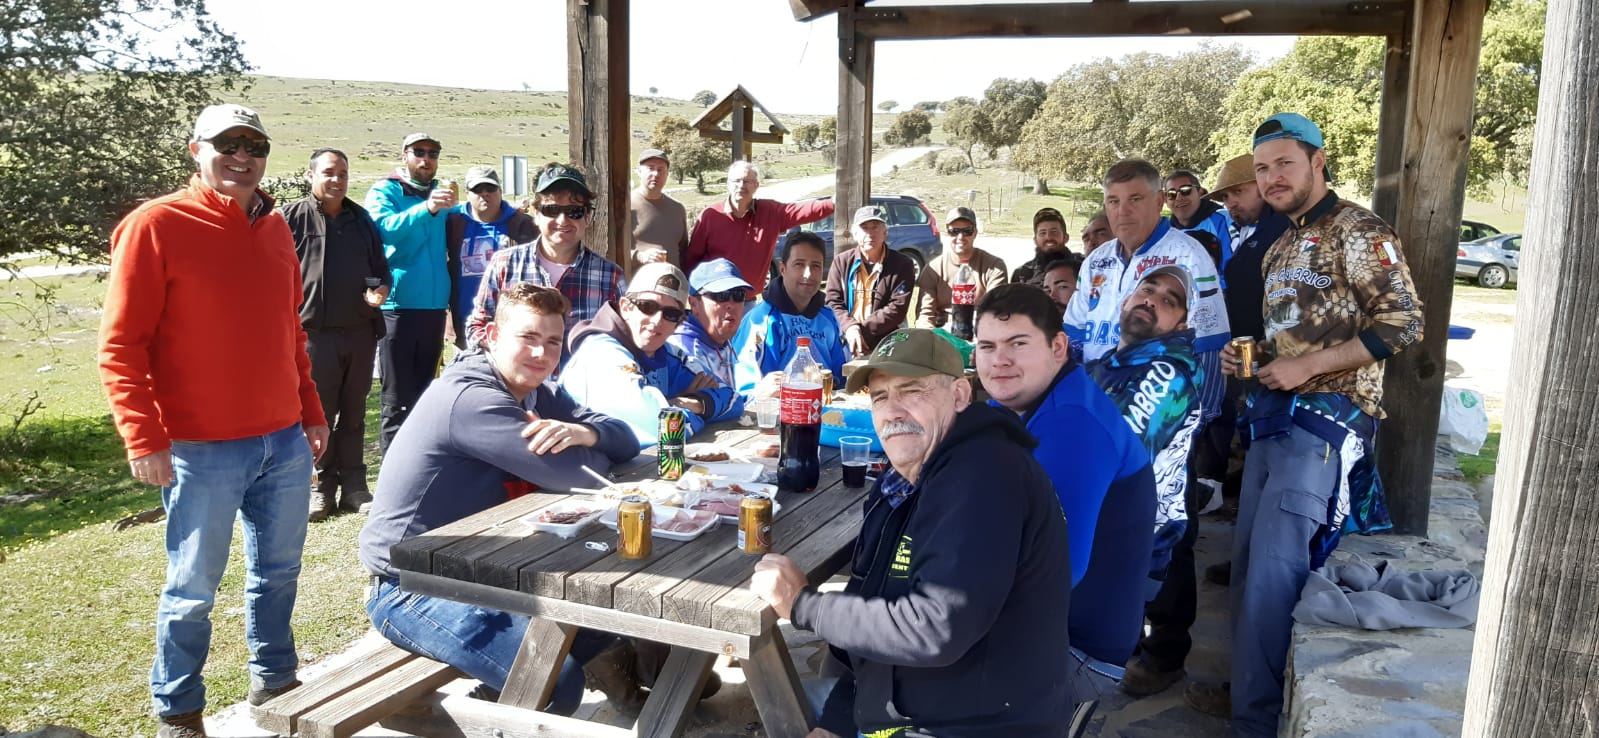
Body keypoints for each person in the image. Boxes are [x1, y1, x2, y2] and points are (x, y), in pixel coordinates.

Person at [1186, 113, 1424, 736]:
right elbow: (1293, 337)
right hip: (1273, 421)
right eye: (1263, 168)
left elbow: (1404, 324)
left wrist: (1309, 366)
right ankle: (1250, 693)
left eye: (1284, 164)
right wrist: (1257, 357)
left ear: (1318, 162)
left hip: (1324, 426)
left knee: (1274, 573)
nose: (1272, 178)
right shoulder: (1280, 245)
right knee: (1247, 571)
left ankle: (1256, 723)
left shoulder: (1360, 230)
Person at [99, 104, 329, 738]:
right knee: (192, 589)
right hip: (200, 449)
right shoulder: (155, 225)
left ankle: (276, 680)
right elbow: (121, 346)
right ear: (196, 150)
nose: (242, 156)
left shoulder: (275, 228)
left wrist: (309, 411)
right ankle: (179, 709)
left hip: (282, 441)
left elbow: (289, 333)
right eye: (228, 143)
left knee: (278, 573)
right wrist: (143, 437)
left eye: (255, 145)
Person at [751, 328, 1075, 737]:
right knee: (784, 706)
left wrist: (803, 606)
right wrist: (838, 718)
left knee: (778, 706)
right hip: (908, 707)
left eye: (912, 391)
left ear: (959, 395)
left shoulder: (983, 474)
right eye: (880, 397)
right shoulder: (901, 483)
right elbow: (871, 605)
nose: (892, 411)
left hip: (974, 726)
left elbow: (934, 628)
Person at [359, 283, 639, 717]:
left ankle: (498, 703)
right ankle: (487, 716)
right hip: (410, 586)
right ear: (491, 336)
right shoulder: (472, 398)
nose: (541, 354)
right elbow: (576, 475)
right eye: (528, 337)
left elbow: (626, 439)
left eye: (553, 342)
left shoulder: (534, 389)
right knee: (552, 683)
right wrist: (588, 450)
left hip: (478, 569)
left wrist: (585, 433)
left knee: (605, 621)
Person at [1065, 158, 1229, 704]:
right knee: (1109, 532)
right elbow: (1074, 334)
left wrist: (1193, 427)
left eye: (1135, 199)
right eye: (1113, 201)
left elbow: (1208, 346)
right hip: (1097, 410)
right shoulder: (1097, 261)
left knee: (1167, 532)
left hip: (1161, 416)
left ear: (1159, 201)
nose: (1123, 212)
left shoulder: (1188, 256)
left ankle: (1165, 654)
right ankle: (1118, 640)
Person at [973, 285, 1155, 708]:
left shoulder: (1072, 421)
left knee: (890, 659)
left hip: (1077, 655)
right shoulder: (1022, 403)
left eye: (1018, 344)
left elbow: (1056, 571)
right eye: (987, 346)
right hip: (1050, 630)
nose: (1000, 360)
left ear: (1058, 347)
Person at [1083, 267, 1205, 697]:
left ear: (1182, 326)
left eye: (1169, 301)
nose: (1152, 299)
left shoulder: (1166, 372)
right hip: (1111, 524)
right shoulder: (1108, 364)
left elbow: (1114, 455)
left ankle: (1150, 660)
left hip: (1135, 533)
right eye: (1147, 290)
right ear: (1125, 300)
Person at [282, 147, 390, 521]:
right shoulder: (290, 218)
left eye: (342, 174)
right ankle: (320, 487)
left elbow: (380, 270)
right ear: (310, 175)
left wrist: (380, 291)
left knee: (355, 412)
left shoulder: (361, 220)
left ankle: (355, 489)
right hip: (312, 335)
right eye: (329, 172)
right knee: (318, 414)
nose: (337, 180)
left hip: (360, 332)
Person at [561, 263, 740, 444]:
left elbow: (734, 399)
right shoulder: (601, 354)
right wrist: (692, 410)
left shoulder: (668, 353)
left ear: (678, 323)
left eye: (670, 314)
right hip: (579, 459)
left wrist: (697, 403)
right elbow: (664, 430)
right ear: (626, 308)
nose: (657, 321)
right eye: (647, 307)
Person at [466, 164, 627, 346]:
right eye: (552, 210)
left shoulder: (611, 277)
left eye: (574, 212)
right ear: (536, 214)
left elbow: (627, 338)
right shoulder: (504, 264)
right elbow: (477, 327)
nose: (562, 220)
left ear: (587, 217)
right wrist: (508, 354)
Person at [364, 132, 454, 453]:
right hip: (397, 307)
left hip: (434, 308)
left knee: (426, 395)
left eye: (433, 153)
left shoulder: (443, 194)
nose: (426, 159)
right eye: (419, 152)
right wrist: (426, 209)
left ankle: (421, 465)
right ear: (405, 155)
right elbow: (382, 230)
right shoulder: (386, 190)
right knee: (397, 398)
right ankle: (392, 468)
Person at [683, 160, 834, 293]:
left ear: (757, 185)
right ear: (728, 184)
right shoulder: (710, 216)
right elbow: (692, 258)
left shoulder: (770, 212)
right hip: (713, 299)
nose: (741, 185)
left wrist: (832, 203)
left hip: (749, 301)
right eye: (736, 181)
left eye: (747, 181)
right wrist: (694, 293)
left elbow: (801, 211)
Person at [733, 232, 849, 401]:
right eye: (799, 265)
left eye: (815, 266)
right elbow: (747, 394)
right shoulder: (761, 321)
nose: (808, 274)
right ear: (783, 269)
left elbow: (843, 377)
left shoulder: (829, 317)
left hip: (827, 408)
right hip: (776, 411)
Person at [446, 165, 535, 349]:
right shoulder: (453, 223)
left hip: (512, 323)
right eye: (477, 189)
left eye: (490, 188)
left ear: (500, 191)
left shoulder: (522, 225)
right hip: (465, 322)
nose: (485, 194)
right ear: (467, 194)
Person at [824, 205, 918, 357]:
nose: (870, 233)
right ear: (855, 234)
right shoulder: (841, 262)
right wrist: (850, 327)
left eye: (875, 227)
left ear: (885, 233)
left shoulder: (902, 264)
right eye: (864, 228)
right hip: (847, 339)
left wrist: (861, 330)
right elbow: (832, 301)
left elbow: (897, 308)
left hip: (887, 343)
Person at [914, 206, 1008, 335]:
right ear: (947, 232)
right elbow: (925, 315)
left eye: (967, 231)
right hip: (941, 334)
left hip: (980, 333)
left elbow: (994, 311)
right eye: (954, 231)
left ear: (975, 233)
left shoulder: (994, 267)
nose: (960, 237)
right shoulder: (933, 270)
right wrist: (932, 338)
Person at [667, 257, 752, 390]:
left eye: (738, 295)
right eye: (721, 296)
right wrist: (757, 396)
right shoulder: (683, 350)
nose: (731, 304)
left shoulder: (721, 339)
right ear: (694, 304)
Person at [1164, 169, 1233, 271]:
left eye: (1185, 190)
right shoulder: (1165, 233)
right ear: (1165, 200)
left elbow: (1232, 269)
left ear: (1200, 192)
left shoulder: (1224, 220)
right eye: (1171, 194)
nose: (1178, 198)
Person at [630, 148, 689, 267]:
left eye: (660, 169)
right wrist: (639, 256)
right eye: (650, 168)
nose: (656, 174)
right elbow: (610, 248)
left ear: (667, 174)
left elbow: (684, 251)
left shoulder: (677, 209)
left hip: (673, 278)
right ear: (639, 172)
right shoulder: (626, 206)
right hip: (635, 279)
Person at [1011, 207, 1073, 285]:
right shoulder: (1021, 274)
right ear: (1035, 240)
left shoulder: (1083, 267)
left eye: (1054, 232)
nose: (1048, 237)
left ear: (1066, 238)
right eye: (1042, 233)